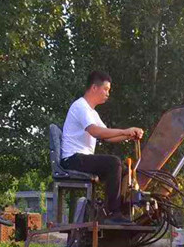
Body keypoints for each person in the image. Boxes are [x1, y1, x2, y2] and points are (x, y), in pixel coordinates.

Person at [60, 70, 144, 224]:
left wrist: (129, 135)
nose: (107, 94)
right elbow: (96, 132)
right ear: (94, 88)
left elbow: (108, 136)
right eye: (105, 89)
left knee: (125, 172)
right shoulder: (80, 106)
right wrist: (125, 131)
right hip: (72, 159)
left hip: (81, 158)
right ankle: (113, 213)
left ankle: (120, 212)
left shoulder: (91, 112)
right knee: (113, 163)